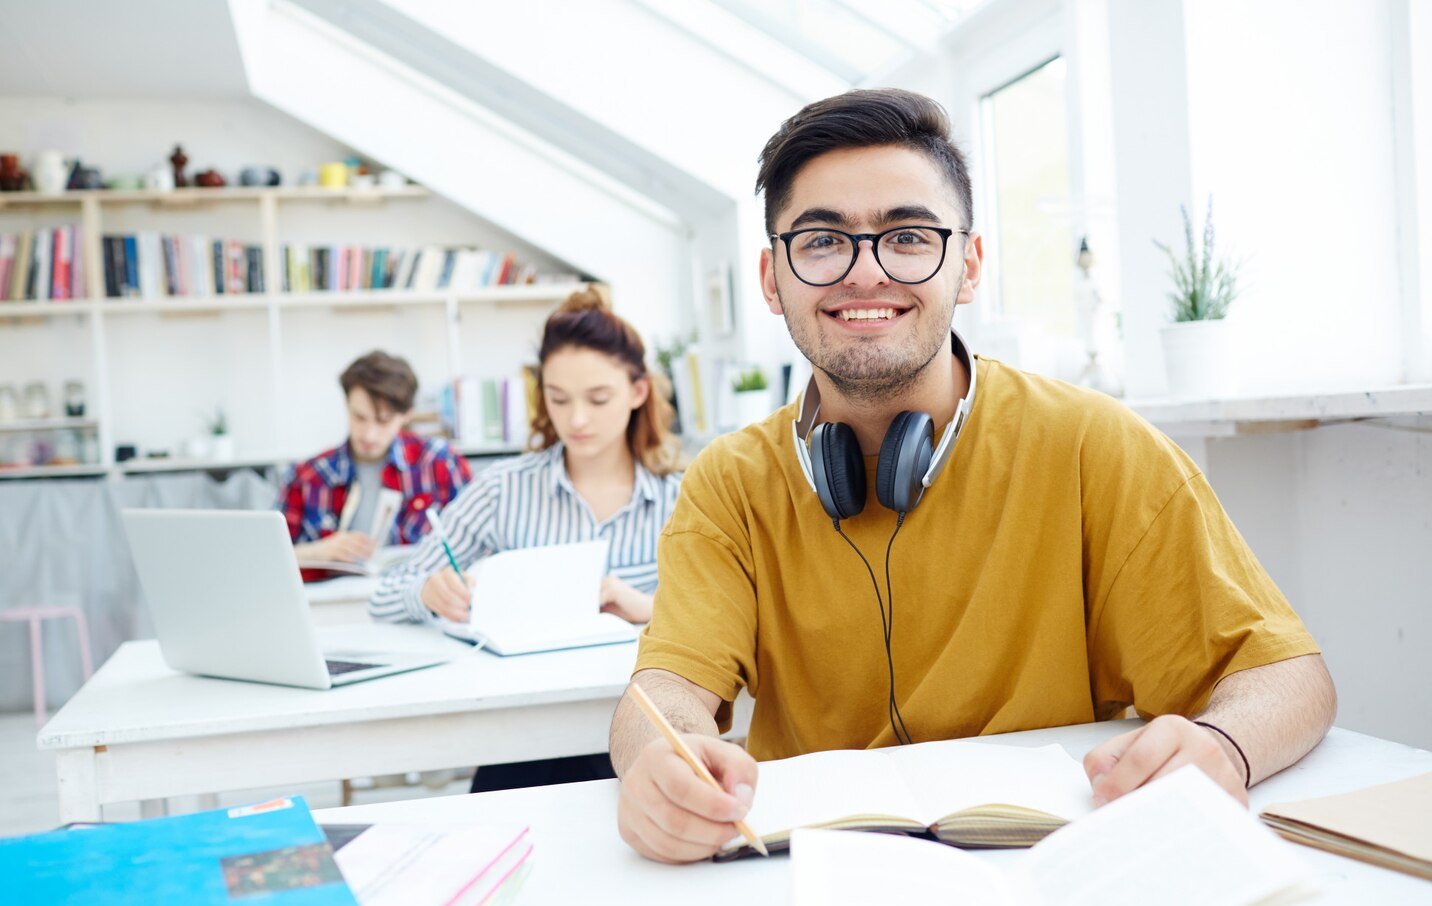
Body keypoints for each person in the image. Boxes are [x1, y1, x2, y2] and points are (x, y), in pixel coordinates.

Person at [610, 89, 1337, 864]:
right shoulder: (729, 482)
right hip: (820, 873)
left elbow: (1290, 677)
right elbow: (664, 693)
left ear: (969, 264)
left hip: (1061, 864)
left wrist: (1222, 747)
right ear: (771, 276)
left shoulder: (1093, 444)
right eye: (822, 241)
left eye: (910, 236)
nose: (865, 273)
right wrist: (662, 759)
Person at [372, 285, 683, 790]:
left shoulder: (682, 496)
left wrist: (648, 606)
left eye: (597, 398)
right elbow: (385, 593)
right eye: (559, 399)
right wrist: (428, 591)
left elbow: (733, 620)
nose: (576, 419)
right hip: (524, 743)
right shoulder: (502, 488)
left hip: (642, 736)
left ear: (638, 391)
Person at [278, 351, 472, 576]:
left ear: (406, 415)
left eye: (383, 421)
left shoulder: (442, 464)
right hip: (331, 605)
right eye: (359, 417)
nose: (369, 435)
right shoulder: (308, 475)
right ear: (346, 404)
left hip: (420, 603)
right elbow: (267, 560)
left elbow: (477, 547)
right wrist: (319, 552)